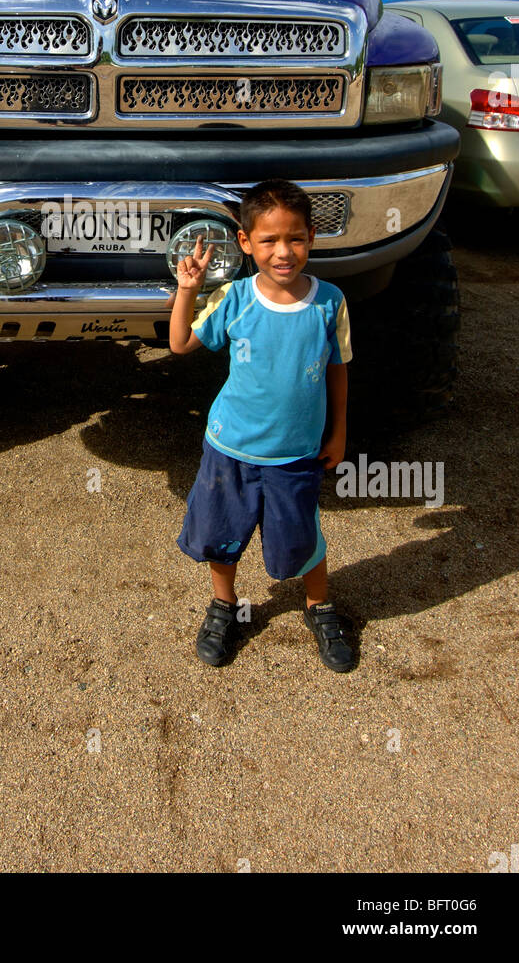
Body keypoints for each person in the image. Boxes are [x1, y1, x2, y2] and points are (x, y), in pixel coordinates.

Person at [170, 178, 355, 672]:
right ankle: (224, 605)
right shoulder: (234, 297)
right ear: (246, 243)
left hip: (295, 454)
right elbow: (181, 344)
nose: (283, 251)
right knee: (220, 533)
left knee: (302, 536)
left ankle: (320, 606)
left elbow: (337, 368)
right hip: (229, 448)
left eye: (294, 238)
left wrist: (338, 432)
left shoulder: (329, 301)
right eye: (269, 240)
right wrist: (187, 291)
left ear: (312, 236)